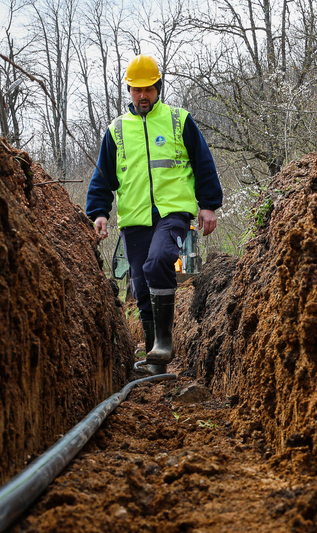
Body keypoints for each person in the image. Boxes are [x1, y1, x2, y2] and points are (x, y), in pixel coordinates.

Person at [87, 54, 223, 375]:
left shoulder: (179, 120)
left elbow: (203, 164)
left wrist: (208, 204)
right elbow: (103, 177)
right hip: (134, 219)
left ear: (158, 87)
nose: (143, 96)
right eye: (137, 90)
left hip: (172, 211)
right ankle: (154, 361)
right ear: (129, 91)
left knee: (158, 261)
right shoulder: (117, 130)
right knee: (140, 283)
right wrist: (99, 213)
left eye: (149, 89)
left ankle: (164, 341)